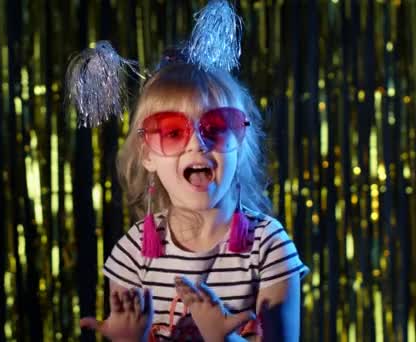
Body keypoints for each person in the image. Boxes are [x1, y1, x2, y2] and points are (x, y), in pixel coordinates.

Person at [69, 2, 309, 341]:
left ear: (241, 146)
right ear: (147, 154)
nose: (196, 144)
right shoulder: (132, 252)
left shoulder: (268, 247)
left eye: (216, 126)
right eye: (171, 131)